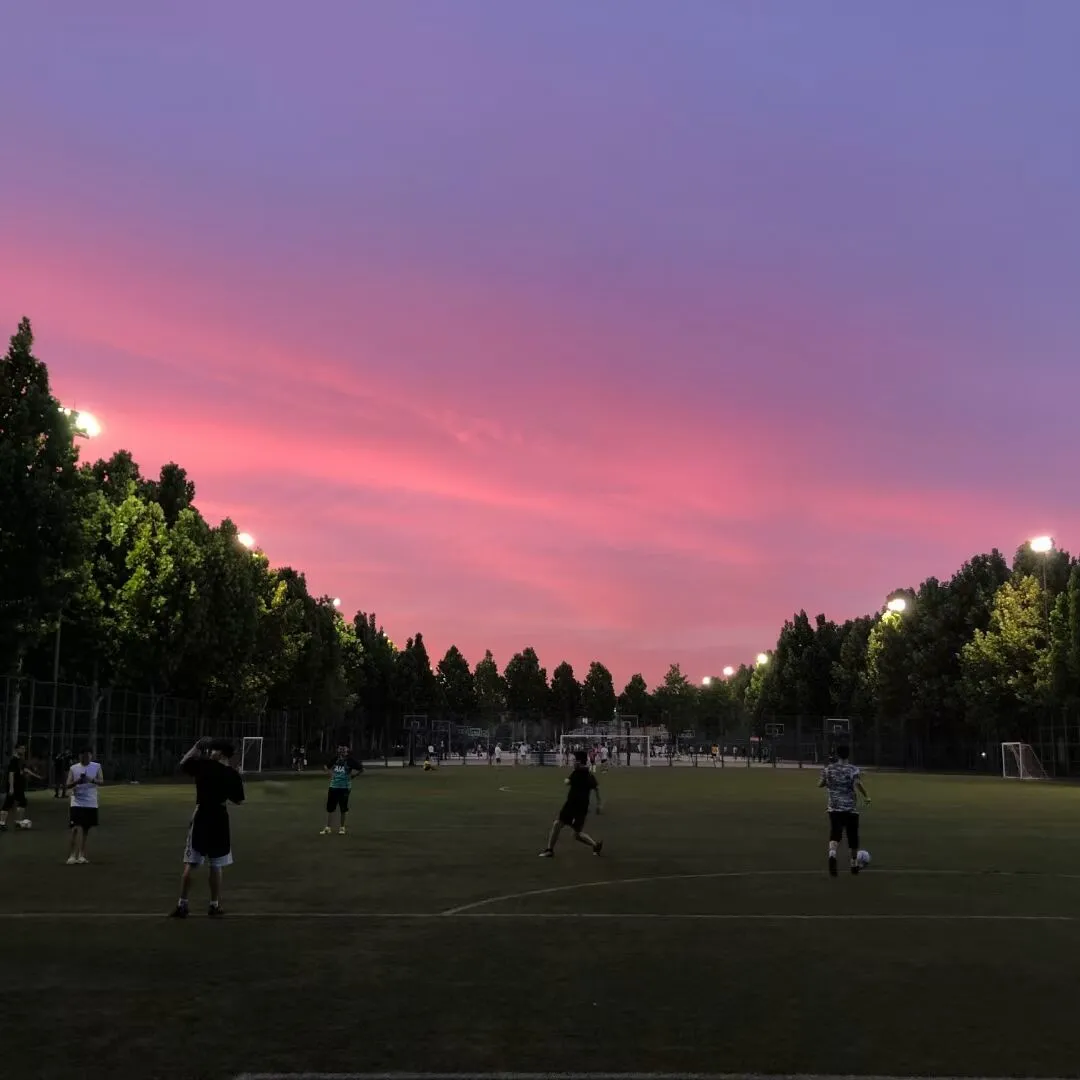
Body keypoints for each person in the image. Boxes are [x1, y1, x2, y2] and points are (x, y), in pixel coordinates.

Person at [169, 737, 245, 918]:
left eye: (213, 750)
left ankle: (182, 904)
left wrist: (196, 746)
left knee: (191, 863)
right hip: (219, 819)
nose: (210, 752)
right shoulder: (231, 774)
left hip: (202, 816)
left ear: (219, 753)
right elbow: (239, 800)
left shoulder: (203, 766)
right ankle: (214, 904)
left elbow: (183, 764)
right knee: (217, 865)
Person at [539, 750, 603, 858]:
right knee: (577, 834)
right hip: (583, 807)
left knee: (557, 824)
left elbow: (567, 782)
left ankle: (550, 850)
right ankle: (595, 845)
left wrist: (566, 779)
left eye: (574, 760)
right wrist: (598, 804)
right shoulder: (589, 774)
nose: (573, 762)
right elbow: (596, 788)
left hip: (572, 805)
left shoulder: (577, 772)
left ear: (578, 761)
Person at [818, 744, 870, 876]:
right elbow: (858, 784)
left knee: (835, 833)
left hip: (834, 807)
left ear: (837, 754)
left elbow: (820, 784)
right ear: (848, 755)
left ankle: (832, 855)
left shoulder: (828, 769)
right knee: (853, 837)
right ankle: (854, 865)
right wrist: (867, 796)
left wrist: (828, 781)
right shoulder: (853, 769)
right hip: (850, 808)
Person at [66, 747, 103, 864]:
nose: (85, 758)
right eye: (83, 756)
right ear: (79, 756)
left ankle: (82, 855)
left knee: (86, 829)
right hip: (77, 801)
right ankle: (72, 855)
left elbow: (101, 781)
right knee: (75, 828)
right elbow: (67, 784)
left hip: (91, 802)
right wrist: (77, 782)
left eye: (88, 756)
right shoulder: (74, 768)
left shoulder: (96, 766)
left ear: (91, 756)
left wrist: (90, 780)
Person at [322, 744, 362, 833]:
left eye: (344, 750)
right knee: (330, 808)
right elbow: (326, 767)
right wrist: (330, 774)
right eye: (340, 749)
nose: (342, 751)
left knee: (343, 808)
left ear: (347, 751)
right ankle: (328, 828)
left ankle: (342, 827)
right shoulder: (335, 759)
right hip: (333, 786)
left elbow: (361, 768)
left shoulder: (350, 760)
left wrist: (354, 776)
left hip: (345, 787)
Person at [1, 741, 41, 831]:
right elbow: (11, 774)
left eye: (24, 748)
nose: (24, 750)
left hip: (19, 786)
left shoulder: (20, 760)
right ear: (17, 749)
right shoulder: (14, 760)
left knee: (22, 802)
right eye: (22, 748)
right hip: (14, 785)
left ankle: (18, 821)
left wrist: (36, 776)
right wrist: (11, 788)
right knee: (8, 803)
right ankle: (2, 823)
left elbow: (25, 769)